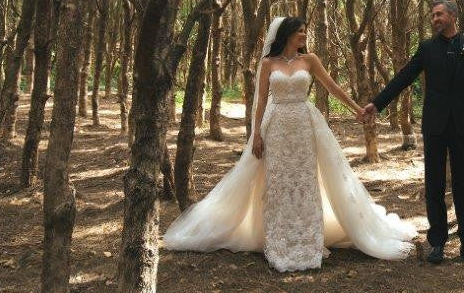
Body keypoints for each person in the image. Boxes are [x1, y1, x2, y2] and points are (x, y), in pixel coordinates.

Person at [163, 16, 416, 272]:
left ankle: (308, 241)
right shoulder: (268, 63)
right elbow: (261, 101)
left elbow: (332, 87)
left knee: (305, 181)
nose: (304, 36)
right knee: (279, 182)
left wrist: (357, 110)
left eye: (305, 31)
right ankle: (280, 242)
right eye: (300, 32)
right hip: (277, 127)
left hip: (304, 126)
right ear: (286, 35)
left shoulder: (310, 60)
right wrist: (257, 135)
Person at [364, 0, 464, 266]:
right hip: (434, 125)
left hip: (462, 125)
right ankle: (437, 243)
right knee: (434, 185)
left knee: (462, 186)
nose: (435, 18)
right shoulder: (426, 48)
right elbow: (403, 77)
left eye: (439, 14)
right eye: (433, 15)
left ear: (453, 16)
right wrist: (377, 104)